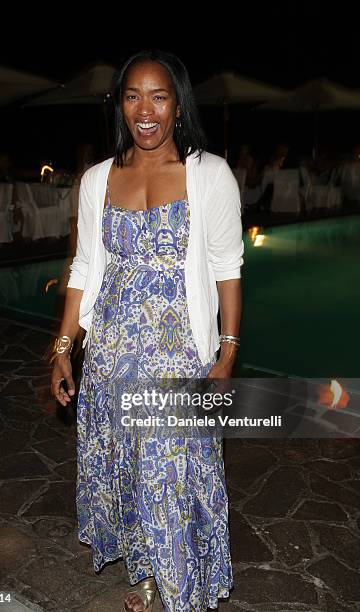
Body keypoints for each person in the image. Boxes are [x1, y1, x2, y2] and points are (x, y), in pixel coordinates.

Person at [50, 49, 243, 612]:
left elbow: (228, 268)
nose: (146, 109)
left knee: (173, 477)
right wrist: (64, 348)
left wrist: (227, 355)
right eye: (133, 95)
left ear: (178, 104)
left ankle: (182, 589)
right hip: (110, 355)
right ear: (120, 105)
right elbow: (85, 266)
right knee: (131, 472)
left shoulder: (209, 175)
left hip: (177, 358)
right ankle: (149, 578)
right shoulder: (97, 179)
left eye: (159, 95)